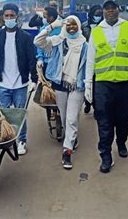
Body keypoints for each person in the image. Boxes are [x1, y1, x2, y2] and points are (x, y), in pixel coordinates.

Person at [85, 0, 128, 173]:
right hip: (103, 84)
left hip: (123, 83)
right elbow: (90, 61)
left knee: (123, 118)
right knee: (104, 121)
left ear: (118, 10)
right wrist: (87, 85)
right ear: (103, 11)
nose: (110, 11)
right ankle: (105, 155)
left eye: (113, 8)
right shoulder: (97, 31)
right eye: (106, 9)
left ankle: (121, 142)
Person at [0, 3, 37, 155]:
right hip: (3, 83)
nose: (9, 18)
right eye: (7, 16)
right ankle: (7, 136)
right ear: (2, 18)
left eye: (12, 16)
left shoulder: (25, 37)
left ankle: (22, 141)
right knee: (4, 115)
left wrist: (34, 79)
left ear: (17, 17)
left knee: (20, 114)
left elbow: (32, 59)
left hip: (20, 83)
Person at [34, 15, 87, 169]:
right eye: (68, 25)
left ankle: (67, 150)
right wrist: (50, 27)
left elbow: (89, 67)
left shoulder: (85, 45)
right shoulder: (57, 41)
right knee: (64, 117)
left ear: (78, 26)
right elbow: (37, 42)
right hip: (59, 84)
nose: (71, 27)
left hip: (77, 86)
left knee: (71, 118)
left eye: (74, 25)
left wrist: (89, 85)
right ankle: (72, 137)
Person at [81, 4, 104, 114]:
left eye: (100, 14)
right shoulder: (84, 26)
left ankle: (96, 107)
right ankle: (87, 102)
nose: (98, 16)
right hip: (86, 59)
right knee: (87, 82)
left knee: (97, 85)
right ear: (91, 15)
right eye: (96, 14)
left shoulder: (104, 26)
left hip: (100, 59)